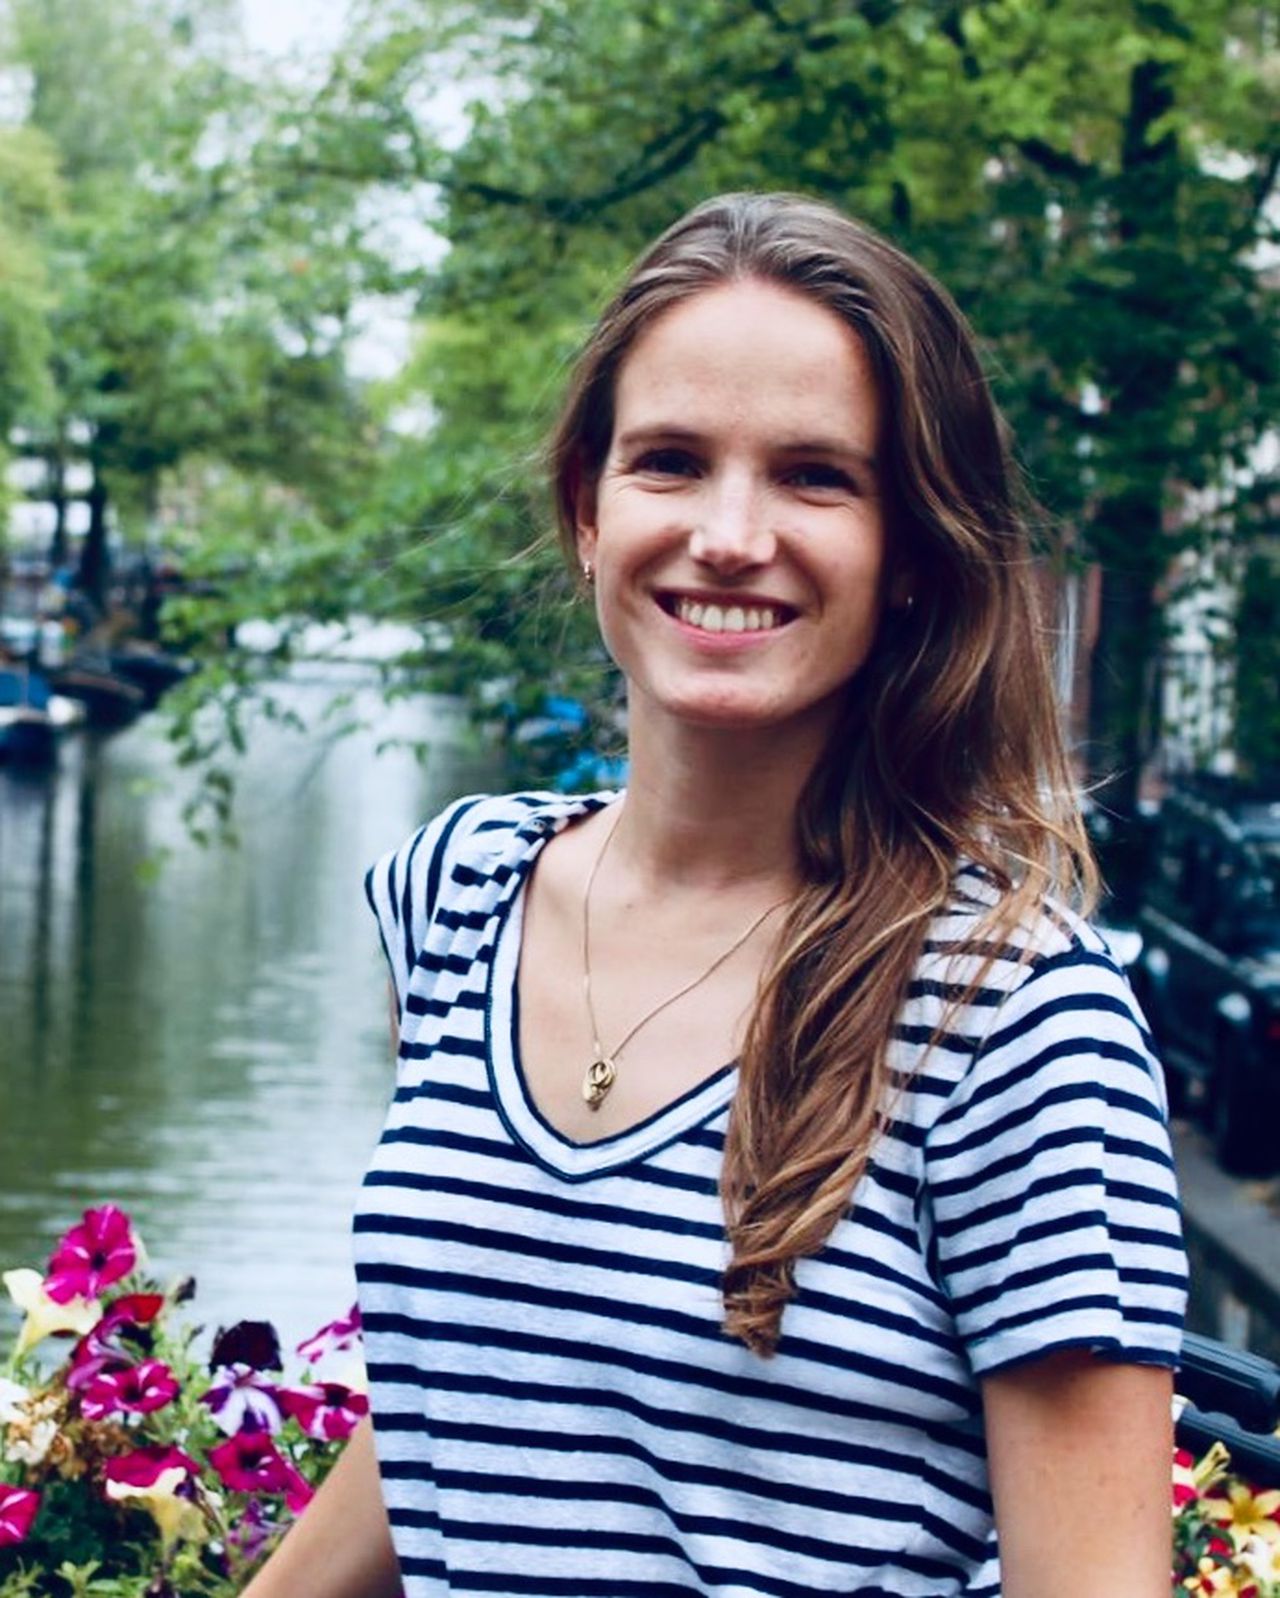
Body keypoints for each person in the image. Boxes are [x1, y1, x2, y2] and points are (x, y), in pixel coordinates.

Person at [243, 192, 1187, 1598]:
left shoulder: (1017, 1023)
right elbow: (478, 1391)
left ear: (913, 552)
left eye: (816, 477)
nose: (730, 535)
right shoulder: (459, 892)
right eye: (672, 461)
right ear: (588, 508)